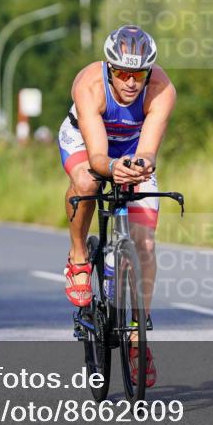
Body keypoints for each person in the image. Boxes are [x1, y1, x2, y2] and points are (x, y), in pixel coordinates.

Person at [57, 25, 176, 388]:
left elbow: (148, 151)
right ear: (109, 69)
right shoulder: (88, 85)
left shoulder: (162, 90)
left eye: (137, 74)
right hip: (86, 141)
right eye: (122, 73)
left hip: (132, 149)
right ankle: (78, 256)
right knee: (87, 183)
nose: (129, 82)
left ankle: (139, 339)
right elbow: (95, 156)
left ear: (148, 73)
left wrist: (137, 166)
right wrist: (110, 167)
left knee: (146, 244)